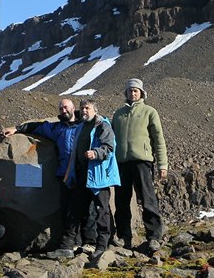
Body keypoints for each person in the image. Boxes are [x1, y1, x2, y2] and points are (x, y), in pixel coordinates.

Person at [2, 99, 96, 249]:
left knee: (89, 209)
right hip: (65, 175)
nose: (63, 110)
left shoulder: (85, 125)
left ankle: (90, 242)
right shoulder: (57, 128)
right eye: (60, 108)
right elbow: (38, 127)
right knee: (68, 209)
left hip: (84, 173)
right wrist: (17, 128)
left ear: (73, 108)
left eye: (65, 107)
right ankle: (75, 243)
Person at [47, 99, 120, 259]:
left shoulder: (102, 125)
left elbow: (109, 147)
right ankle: (67, 247)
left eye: (87, 108)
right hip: (81, 174)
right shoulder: (80, 127)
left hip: (98, 175)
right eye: (82, 108)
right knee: (75, 210)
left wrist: (96, 153)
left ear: (95, 110)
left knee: (102, 211)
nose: (84, 111)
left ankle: (102, 246)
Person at [112, 78, 168, 253]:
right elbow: (111, 140)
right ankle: (124, 237)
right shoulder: (118, 114)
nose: (133, 93)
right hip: (122, 162)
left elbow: (159, 139)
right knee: (121, 201)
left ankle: (153, 237)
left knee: (147, 199)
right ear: (126, 93)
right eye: (130, 91)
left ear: (141, 93)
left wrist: (162, 164)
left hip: (143, 161)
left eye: (136, 90)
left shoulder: (149, 112)